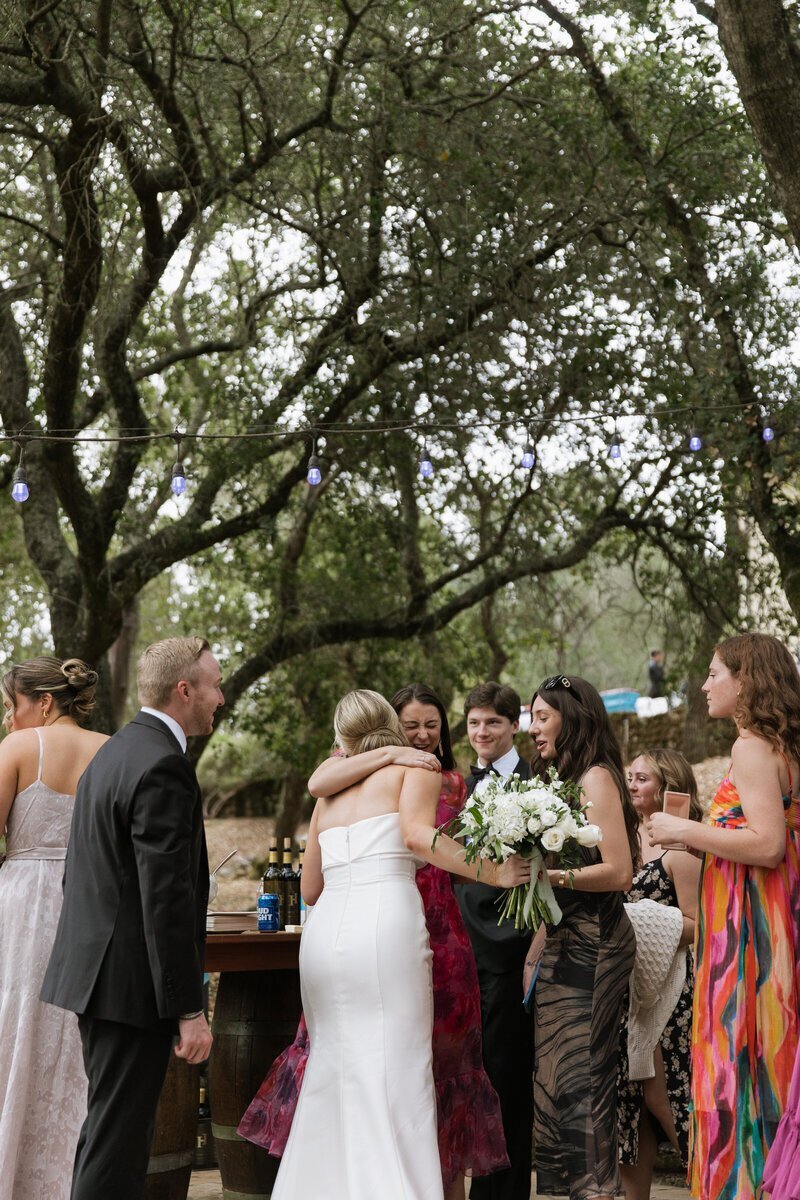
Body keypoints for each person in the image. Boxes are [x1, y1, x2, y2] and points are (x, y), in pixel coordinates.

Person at [240, 682, 510, 1200]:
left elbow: (310, 888)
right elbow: (418, 837)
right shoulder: (416, 770)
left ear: (341, 736)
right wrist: (495, 872)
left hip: (325, 938)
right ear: (391, 724)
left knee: (332, 1069)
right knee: (399, 1068)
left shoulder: (327, 794)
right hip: (385, 927)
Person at [40, 636, 222, 1200]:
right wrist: (189, 1007)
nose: (221, 697)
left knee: (106, 1135)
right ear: (184, 690)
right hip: (129, 985)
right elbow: (164, 899)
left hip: (98, 976)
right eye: (215, 685)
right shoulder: (164, 764)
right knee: (118, 1146)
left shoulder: (114, 753)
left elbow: (81, 872)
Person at [648, 633, 800, 1200]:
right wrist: (703, 840)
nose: (705, 685)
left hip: (751, 934)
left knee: (743, 1060)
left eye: (715, 673)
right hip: (767, 917)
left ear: (747, 680)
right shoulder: (780, 746)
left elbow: (768, 846)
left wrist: (684, 828)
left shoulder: (752, 747)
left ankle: (748, 1187)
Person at [0, 657, 107, 1200]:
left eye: (10, 705)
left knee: (15, 1027)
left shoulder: (19, 747)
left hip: (22, 909)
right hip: (91, 906)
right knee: (72, 1042)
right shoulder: (111, 750)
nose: (7, 718)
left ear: (43, 703)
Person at [528, 674, 638, 1200]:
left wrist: (549, 876)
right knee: (557, 1077)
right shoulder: (560, 781)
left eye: (542, 717)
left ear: (572, 718)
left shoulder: (595, 779)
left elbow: (620, 872)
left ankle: (598, 1191)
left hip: (595, 943)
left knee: (583, 1079)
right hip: (561, 941)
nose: (533, 729)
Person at [454, 680, 535, 1200]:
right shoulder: (458, 787)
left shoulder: (539, 785)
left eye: (492, 722)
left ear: (514, 725)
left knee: (506, 1083)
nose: (481, 732)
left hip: (510, 950)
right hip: (459, 951)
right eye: (474, 723)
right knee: (467, 1080)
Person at [617, 749, 703, 1200]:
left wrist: (640, 923)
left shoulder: (681, 847)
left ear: (668, 785)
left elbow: (697, 923)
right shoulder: (620, 835)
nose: (632, 784)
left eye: (642, 778)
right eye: (629, 776)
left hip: (670, 989)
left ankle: (713, 1182)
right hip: (625, 989)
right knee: (630, 1106)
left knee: (662, 1094)